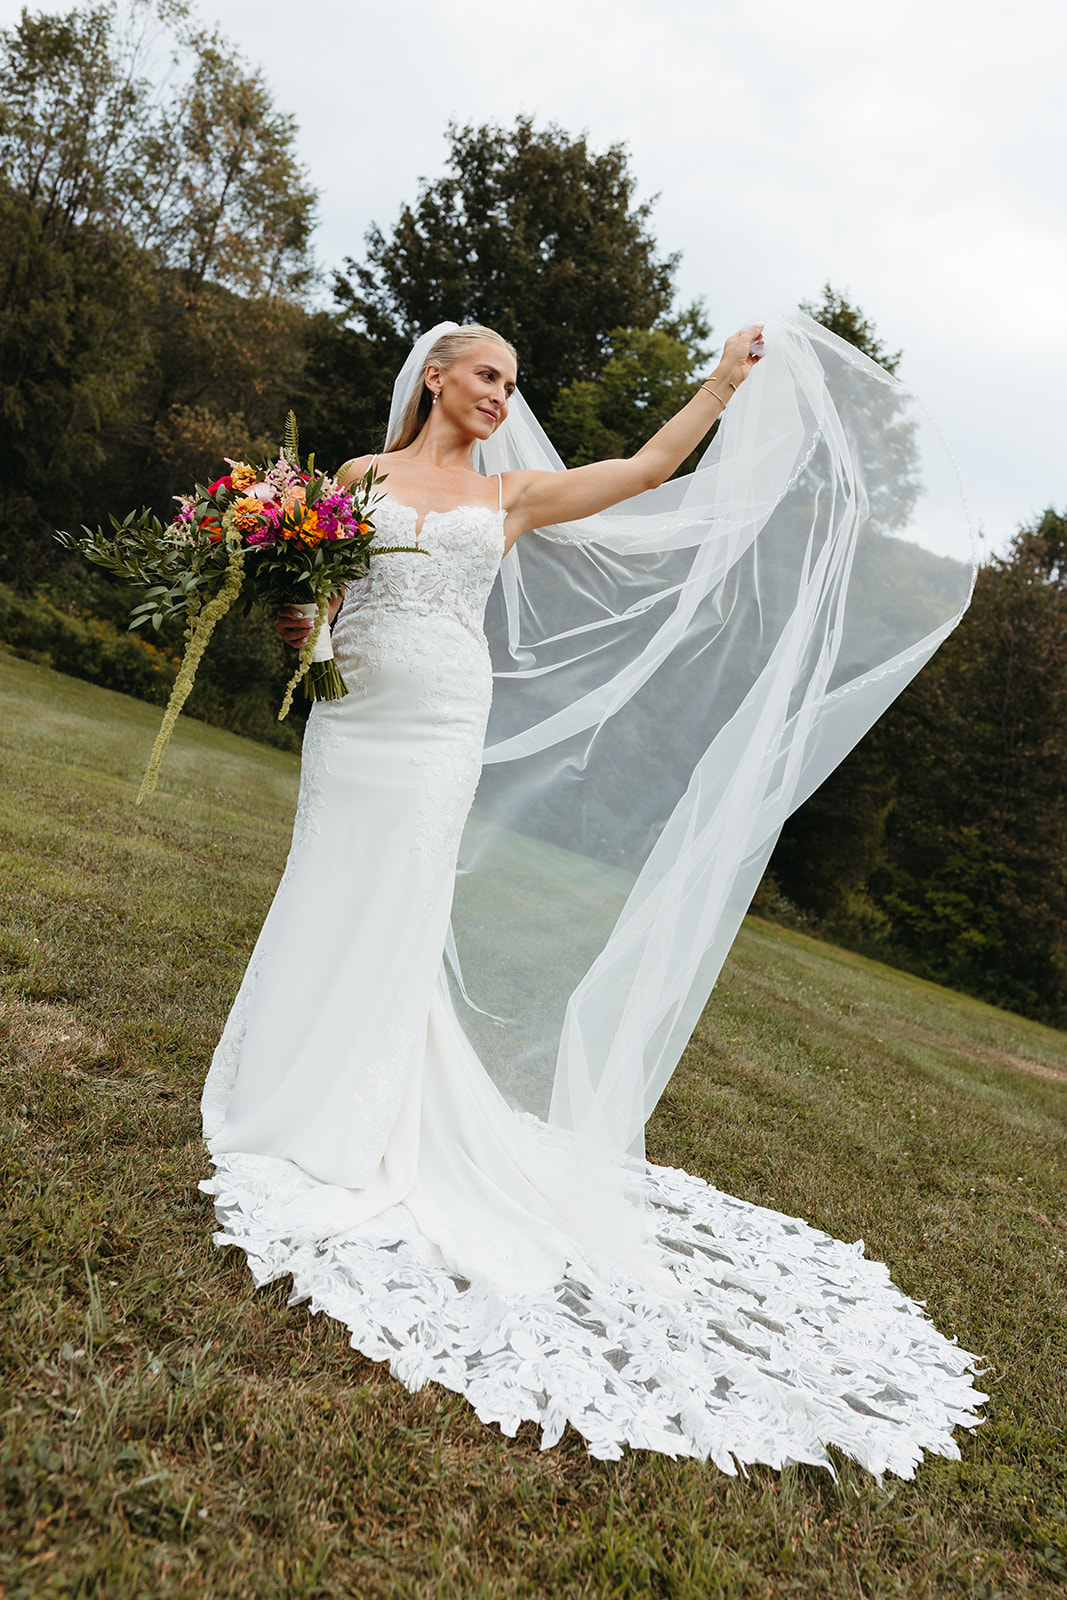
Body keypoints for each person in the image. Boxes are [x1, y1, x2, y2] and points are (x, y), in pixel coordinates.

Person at [201, 319, 984, 1476]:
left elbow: (648, 472)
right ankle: (287, 1075)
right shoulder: (354, 481)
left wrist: (718, 385)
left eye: (512, 382)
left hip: (436, 725)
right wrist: (297, 627)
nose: (499, 394)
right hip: (352, 713)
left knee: (400, 902)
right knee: (326, 875)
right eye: (485, 375)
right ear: (435, 377)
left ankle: (361, 1113)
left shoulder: (511, 496)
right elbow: (322, 598)